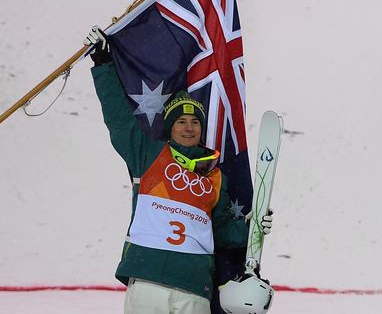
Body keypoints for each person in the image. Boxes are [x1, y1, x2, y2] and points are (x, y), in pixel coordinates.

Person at [84, 26, 272, 314]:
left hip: (194, 289)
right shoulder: (148, 155)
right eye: (181, 121)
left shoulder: (215, 176)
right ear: (171, 128)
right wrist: (102, 65)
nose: (188, 127)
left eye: (194, 122)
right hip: (148, 281)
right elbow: (119, 119)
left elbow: (223, 233)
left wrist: (253, 226)